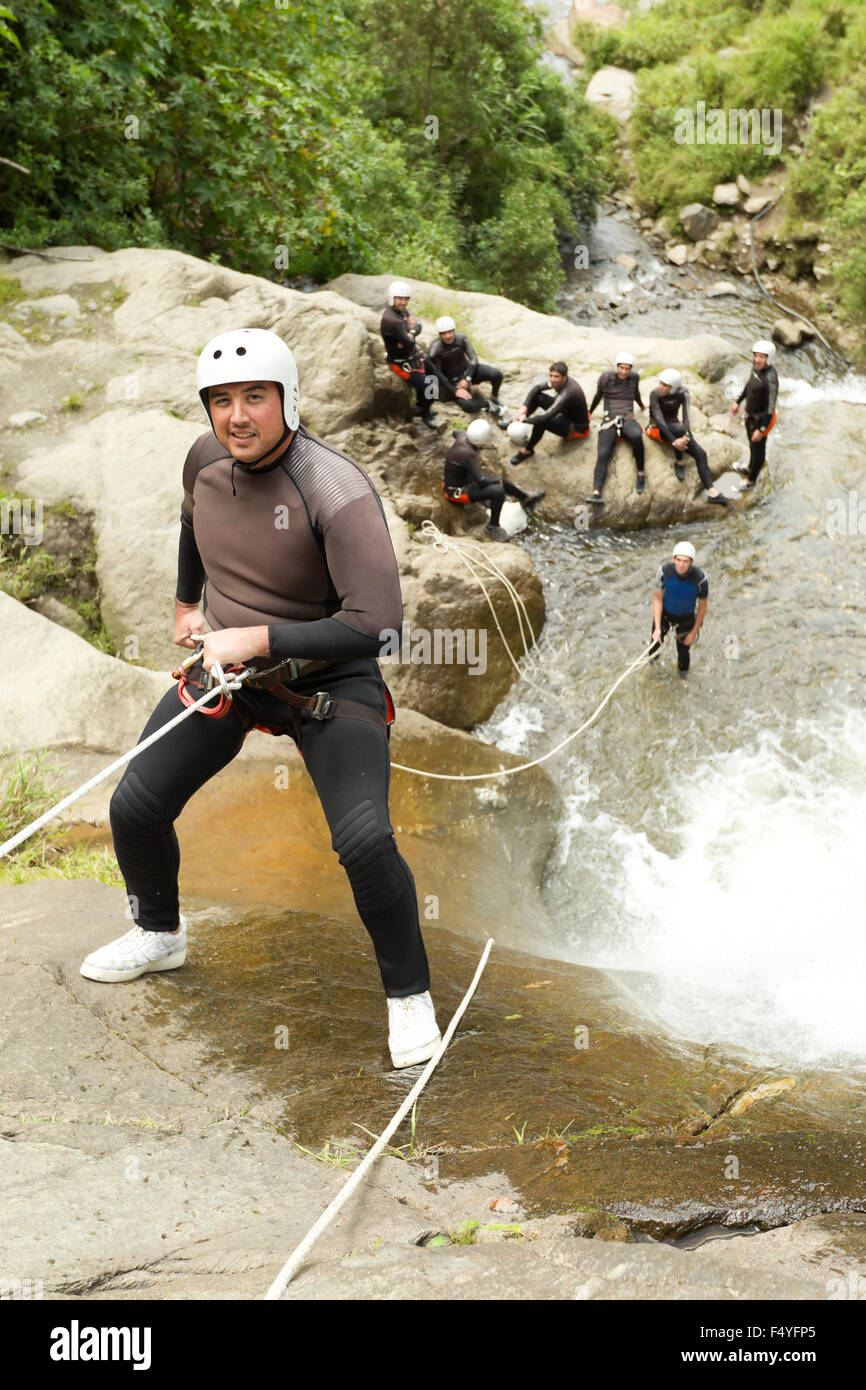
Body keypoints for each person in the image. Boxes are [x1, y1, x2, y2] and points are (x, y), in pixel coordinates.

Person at [79, 328, 441, 1071]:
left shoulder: (335, 490)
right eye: (221, 401)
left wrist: (261, 639)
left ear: (288, 401)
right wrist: (188, 604)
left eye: (254, 398)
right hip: (231, 670)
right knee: (135, 806)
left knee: (365, 841)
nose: (236, 416)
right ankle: (160, 932)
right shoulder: (204, 459)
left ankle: (409, 997)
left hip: (326, 681)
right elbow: (192, 522)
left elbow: (379, 629)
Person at [442, 418, 544, 542]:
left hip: (463, 479)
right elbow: (481, 480)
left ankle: (524, 497)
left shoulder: (463, 437)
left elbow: (455, 433)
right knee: (498, 491)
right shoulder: (469, 453)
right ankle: (493, 526)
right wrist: (495, 482)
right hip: (455, 492)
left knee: (500, 480)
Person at [647, 368, 730, 506]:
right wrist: (675, 442)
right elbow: (659, 420)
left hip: (676, 427)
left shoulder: (683, 392)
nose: (661, 387)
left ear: (673, 387)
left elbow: (686, 417)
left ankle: (712, 492)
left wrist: (685, 436)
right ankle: (679, 459)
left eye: (665, 385)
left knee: (701, 454)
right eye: (661, 383)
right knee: (678, 429)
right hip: (656, 428)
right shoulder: (655, 394)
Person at [585, 350, 646, 503]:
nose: (624, 371)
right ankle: (596, 492)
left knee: (637, 436)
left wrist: (642, 406)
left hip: (627, 417)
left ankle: (641, 474)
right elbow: (598, 396)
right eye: (621, 368)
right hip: (610, 419)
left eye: (627, 368)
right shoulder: (606, 378)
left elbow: (635, 393)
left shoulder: (634, 378)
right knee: (604, 452)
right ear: (617, 367)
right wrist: (589, 412)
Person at [380, 279, 437, 430]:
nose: (404, 302)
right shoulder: (390, 320)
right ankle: (425, 413)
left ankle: (423, 405)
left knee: (433, 374)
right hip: (400, 363)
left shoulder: (401, 311)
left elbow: (418, 325)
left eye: (406, 299)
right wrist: (411, 333)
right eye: (400, 299)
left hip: (412, 356)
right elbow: (410, 341)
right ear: (393, 298)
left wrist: (411, 332)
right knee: (426, 384)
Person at [509, 361, 589, 465]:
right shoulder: (559, 382)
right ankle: (515, 421)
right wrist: (524, 407)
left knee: (541, 423)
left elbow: (544, 418)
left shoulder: (569, 393)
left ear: (564, 377)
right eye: (551, 375)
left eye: (556, 376)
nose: (552, 379)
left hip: (576, 428)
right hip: (564, 413)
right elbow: (536, 388)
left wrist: (525, 420)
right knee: (538, 397)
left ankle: (527, 450)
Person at [427, 316, 505, 419]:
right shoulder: (435, 350)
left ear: (454, 331)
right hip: (454, 381)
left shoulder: (461, 338)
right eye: (444, 334)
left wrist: (467, 378)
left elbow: (473, 359)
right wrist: (455, 390)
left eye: (450, 332)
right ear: (439, 334)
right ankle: (488, 404)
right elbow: (438, 374)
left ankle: (495, 397)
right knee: (468, 406)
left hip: (468, 372)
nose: (448, 336)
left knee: (497, 375)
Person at [650, 540, 708, 678]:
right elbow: (657, 599)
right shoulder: (664, 572)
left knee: (683, 653)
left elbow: (702, 609)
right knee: (654, 646)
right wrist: (657, 628)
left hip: (686, 619)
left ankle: (683, 680)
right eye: (678, 560)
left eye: (685, 561)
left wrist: (694, 632)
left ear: (691, 562)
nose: (681, 565)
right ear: (674, 559)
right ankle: (651, 671)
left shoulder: (700, 580)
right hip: (665, 615)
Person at [730, 339, 779, 490]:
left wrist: (762, 429)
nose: (757, 360)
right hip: (750, 415)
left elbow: (771, 408)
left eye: (761, 357)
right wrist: (738, 402)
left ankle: (751, 482)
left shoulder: (771, 379)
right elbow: (749, 385)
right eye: (756, 356)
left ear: (768, 358)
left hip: (763, 420)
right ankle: (750, 467)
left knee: (758, 448)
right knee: (752, 444)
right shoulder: (755, 368)